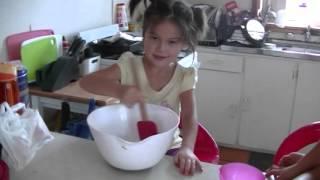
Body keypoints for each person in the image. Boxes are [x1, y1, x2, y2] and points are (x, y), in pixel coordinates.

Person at [80, 0, 207, 176]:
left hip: (168, 149)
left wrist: (186, 148)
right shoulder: (129, 65)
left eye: (171, 42)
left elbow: (189, 116)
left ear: (183, 43)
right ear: (143, 33)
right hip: (127, 147)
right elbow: (86, 82)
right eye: (154, 38)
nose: (161, 48)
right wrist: (119, 91)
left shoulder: (184, 76)